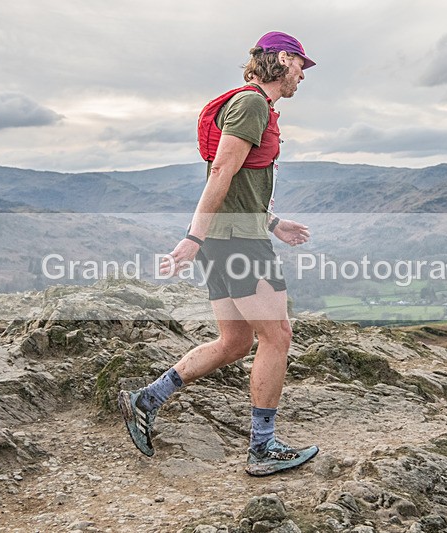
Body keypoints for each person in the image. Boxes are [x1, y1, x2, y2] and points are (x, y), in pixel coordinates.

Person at [118, 31, 318, 477]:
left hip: (230, 237)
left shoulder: (253, 104)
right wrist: (193, 238)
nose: (303, 74)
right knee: (278, 337)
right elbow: (222, 171)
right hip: (236, 244)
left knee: (236, 342)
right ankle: (263, 448)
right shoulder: (251, 104)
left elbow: (239, 187)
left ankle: (145, 399)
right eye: (301, 64)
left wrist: (273, 222)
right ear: (282, 59)